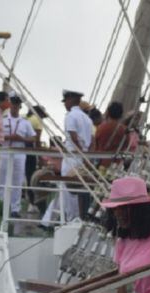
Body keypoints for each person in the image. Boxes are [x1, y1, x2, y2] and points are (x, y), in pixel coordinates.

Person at [43, 89, 94, 227]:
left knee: (69, 191)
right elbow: (92, 140)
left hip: (73, 156)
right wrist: (86, 156)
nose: (65, 104)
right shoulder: (87, 119)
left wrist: (78, 151)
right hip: (83, 157)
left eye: (65, 101)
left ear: (71, 100)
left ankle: (71, 221)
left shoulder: (71, 116)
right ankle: (69, 220)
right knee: (78, 190)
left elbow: (73, 136)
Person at [2, 93, 37, 218]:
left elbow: (33, 138)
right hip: (5, 153)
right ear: (10, 104)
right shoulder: (3, 120)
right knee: (2, 180)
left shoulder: (25, 122)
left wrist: (21, 138)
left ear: (20, 106)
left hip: (19, 154)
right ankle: (0, 205)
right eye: (13, 103)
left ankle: (15, 209)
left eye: (17, 104)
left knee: (17, 182)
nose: (15, 106)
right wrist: (9, 137)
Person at [94, 101, 128, 168]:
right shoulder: (125, 130)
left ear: (108, 113)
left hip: (101, 162)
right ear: (121, 114)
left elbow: (96, 144)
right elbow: (126, 145)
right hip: (116, 163)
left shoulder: (102, 127)